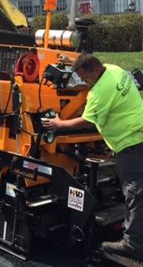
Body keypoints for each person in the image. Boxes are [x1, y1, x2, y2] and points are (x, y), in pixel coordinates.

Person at [42, 53, 143, 261]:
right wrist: (72, 63)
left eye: (85, 77)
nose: (85, 82)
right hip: (139, 132)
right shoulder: (114, 69)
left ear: (95, 71)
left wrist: (58, 124)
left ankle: (133, 244)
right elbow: (90, 64)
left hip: (130, 143)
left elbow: (86, 121)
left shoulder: (100, 92)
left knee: (135, 192)